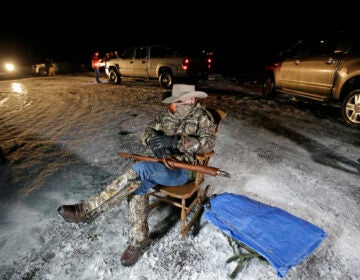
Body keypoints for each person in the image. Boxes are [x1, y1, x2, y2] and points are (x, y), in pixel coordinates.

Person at [57, 84, 217, 266]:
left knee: (140, 170)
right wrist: (155, 143)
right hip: (161, 163)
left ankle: (88, 210)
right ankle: (139, 241)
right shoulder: (167, 114)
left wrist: (177, 142)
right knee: (137, 185)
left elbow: (208, 144)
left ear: (191, 99)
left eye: (181, 101)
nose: (178, 105)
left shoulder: (202, 117)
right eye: (176, 101)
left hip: (184, 169)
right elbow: (147, 131)